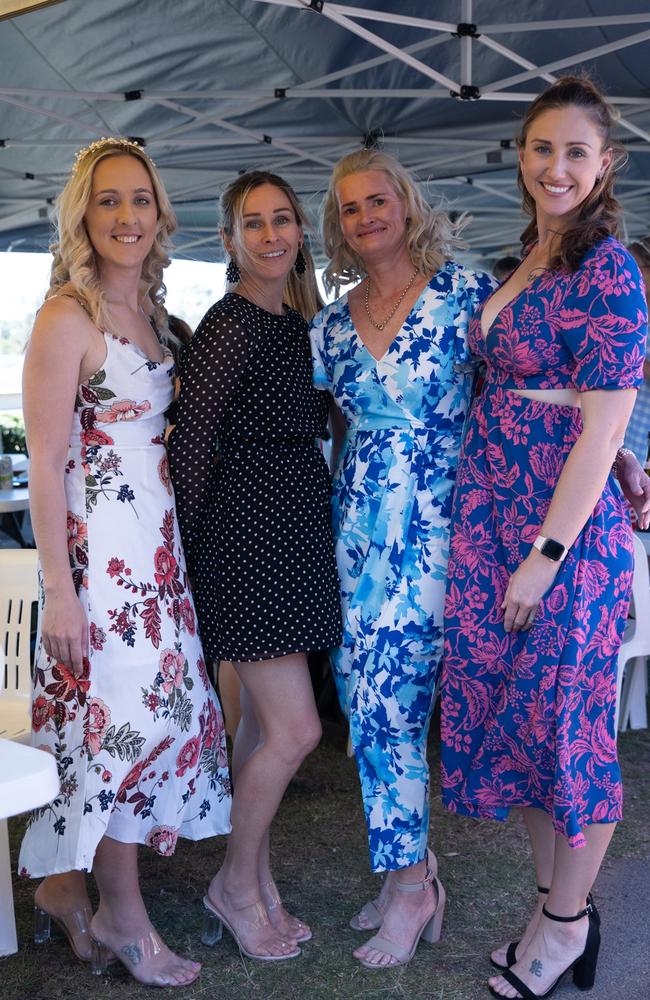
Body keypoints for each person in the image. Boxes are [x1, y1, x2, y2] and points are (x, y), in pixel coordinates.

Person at [439, 76, 648, 1000]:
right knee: (517, 728)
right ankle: (550, 908)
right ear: (519, 157)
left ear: (605, 165)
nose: (555, 167)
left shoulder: (611, 268)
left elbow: (605, 427)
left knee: (570, 731)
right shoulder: (528, 254)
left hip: (559, 538)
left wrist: (546, 555)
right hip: (493, 519)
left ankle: (564, 927)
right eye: (540, 148)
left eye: (575, 152)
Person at [18, 137, 231, 987]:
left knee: (160, 724)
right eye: (108, 200)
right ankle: (124, 920)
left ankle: (69, 890)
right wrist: (60, 596)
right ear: (83, 214)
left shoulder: (154, 314)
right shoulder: (65, 317)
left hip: (158, 559)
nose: (127, 216)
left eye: (140, 199)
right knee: (119, 732)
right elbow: (42, 465)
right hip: (97, 572)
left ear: (158, 213)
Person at [310, 148, 497, 969]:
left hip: (440, 525)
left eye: (377, 201)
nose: (366, 217)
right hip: (357, 528)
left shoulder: (464, 295)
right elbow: (322, 427)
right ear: (340, 229)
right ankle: (402, 871)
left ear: (405, 204)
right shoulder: (328, 325)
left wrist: (620, 459)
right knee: (363, 696)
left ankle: (414, 884)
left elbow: (521, 392)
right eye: (350, 209)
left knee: (393, 699)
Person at [167, 170, 341, 961]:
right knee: (298, 731)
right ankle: (234, 886)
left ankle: (259, 878)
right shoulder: (229, 325)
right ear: (230, 239)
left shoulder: (289, 322)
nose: (272, 235)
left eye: (283, 220)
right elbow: (191, 447)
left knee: (260, 728)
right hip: (245, 548)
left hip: (291, 542)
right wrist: (197, 563)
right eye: (254, 223)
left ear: (300, 231)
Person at [622, 239, 650, 467]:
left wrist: (621, 358)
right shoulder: (630, 310)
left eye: (633, 265)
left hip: (642, 427)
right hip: (624, 426)